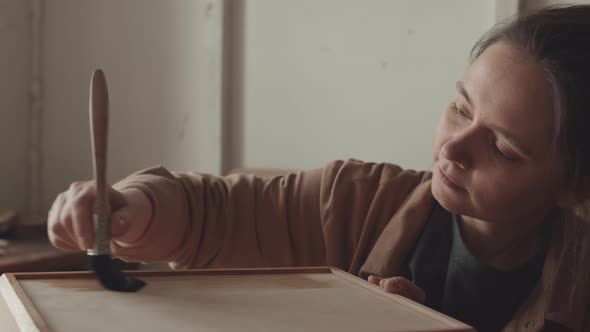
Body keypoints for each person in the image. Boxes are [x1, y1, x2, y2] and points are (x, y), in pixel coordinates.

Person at [47, 5, 590, 332]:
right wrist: (128, 212)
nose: (452, 149)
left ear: (574, 185)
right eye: (460, 108)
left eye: (501, 147)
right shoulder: (356, 200)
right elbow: (209, 213)